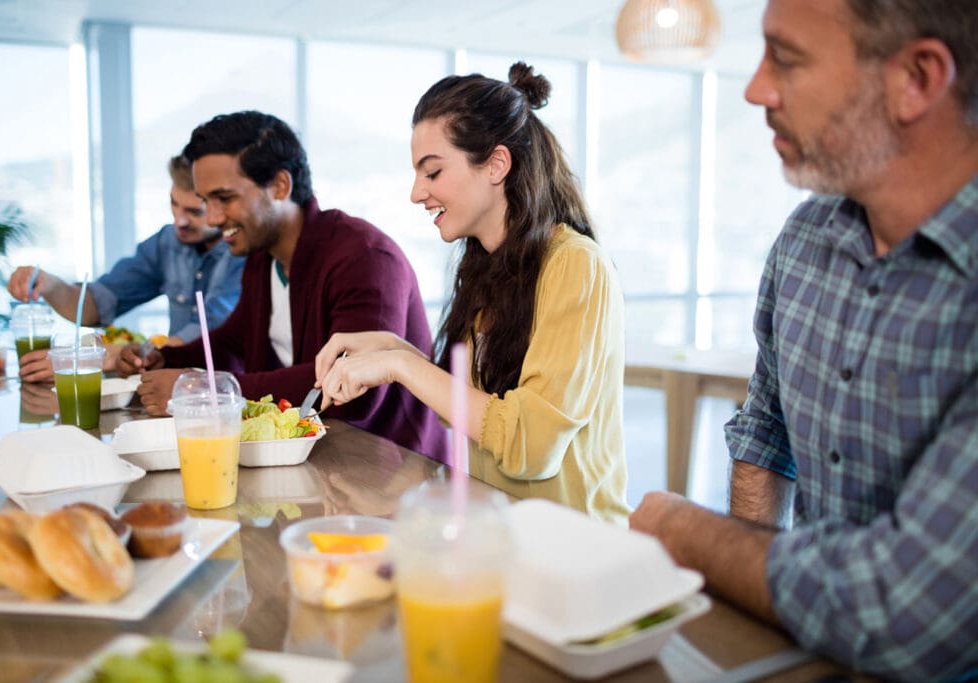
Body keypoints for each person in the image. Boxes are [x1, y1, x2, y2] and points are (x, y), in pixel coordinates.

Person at [629, 1, 978, 680]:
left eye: (785, 57)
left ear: (916, 78)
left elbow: (908, 611)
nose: (757, 88)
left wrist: (683, 530)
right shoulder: (805, 241)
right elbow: (766, 434)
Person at [314, 63, 628, 525]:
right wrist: (391, 347)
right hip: (502, 535)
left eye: (433, 172)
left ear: (497, 165)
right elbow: (473, 413)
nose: (416, 192)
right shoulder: (486, 266)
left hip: (574, 550)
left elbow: (529, 448)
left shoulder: (576, 265)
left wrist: (402, 365)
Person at [117, 111, 448, 462]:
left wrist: (210, 392)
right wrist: (162, 358)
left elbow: (355, 389)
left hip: (395, 475)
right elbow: (234, 344)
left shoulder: (364, 256)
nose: (212, 218)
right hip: (316, 465)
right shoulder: (263, 257)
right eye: (206, 201)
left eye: (224, 198)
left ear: (280, 186)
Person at [7, 155, 245, 382]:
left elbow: (208, 335)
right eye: (174, 204)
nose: (179, 221)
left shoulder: (244, 252)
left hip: (233, 393)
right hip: (175, 391)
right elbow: (97, 305)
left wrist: (106, 356)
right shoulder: (166, 242)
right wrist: (50, 285)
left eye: (194, 212)